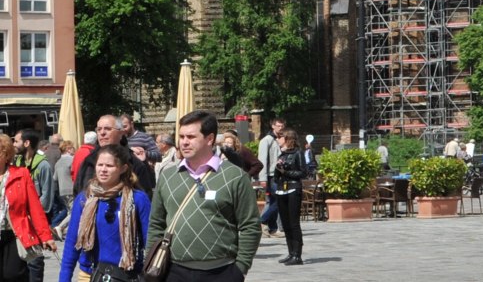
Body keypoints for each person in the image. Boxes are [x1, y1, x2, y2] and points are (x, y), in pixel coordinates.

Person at [148, 111, 259, 282]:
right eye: (182, 136)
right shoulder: (168, 176)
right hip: (174, 271)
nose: (184, 142)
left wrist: (240, 268)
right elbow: (156, 223)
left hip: (221, 272)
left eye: (191, 137)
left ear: (209, 139)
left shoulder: (235, 176)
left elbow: (250, 225)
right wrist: (151, 260)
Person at [0, 134, 55, 282]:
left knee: (13, 274)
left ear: (7, 156)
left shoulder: (21, 174)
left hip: (14, 234)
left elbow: (35, 208)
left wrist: (46, 236)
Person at [58, 145, 149, 282]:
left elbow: (149, 240)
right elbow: (72, 242)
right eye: (100, 165)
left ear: (123, 169)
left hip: (127, 276)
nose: (103, 170)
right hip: (89, 274)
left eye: (109, 166)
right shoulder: (84, 199)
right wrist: (64, 278)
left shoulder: (138, 199)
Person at [73, 117, 155, 198]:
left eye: (108, 129)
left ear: (121, 132)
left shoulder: (134, 163)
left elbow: (145, 197)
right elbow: (77, 191)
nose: (102, 133)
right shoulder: (88, 161)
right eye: (99, 129)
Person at [266, 129, 309, 266]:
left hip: (293, 189)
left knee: (294, 223)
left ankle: (297, 255)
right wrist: (278, 169)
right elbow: (277, 176)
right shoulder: (282, 154)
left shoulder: (298, 153)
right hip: (281, 190)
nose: (278, 139)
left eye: (280, 137)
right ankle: (291, 253)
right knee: (285, 223)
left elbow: (303, 173)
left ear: (287, 139)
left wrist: (287, 171)